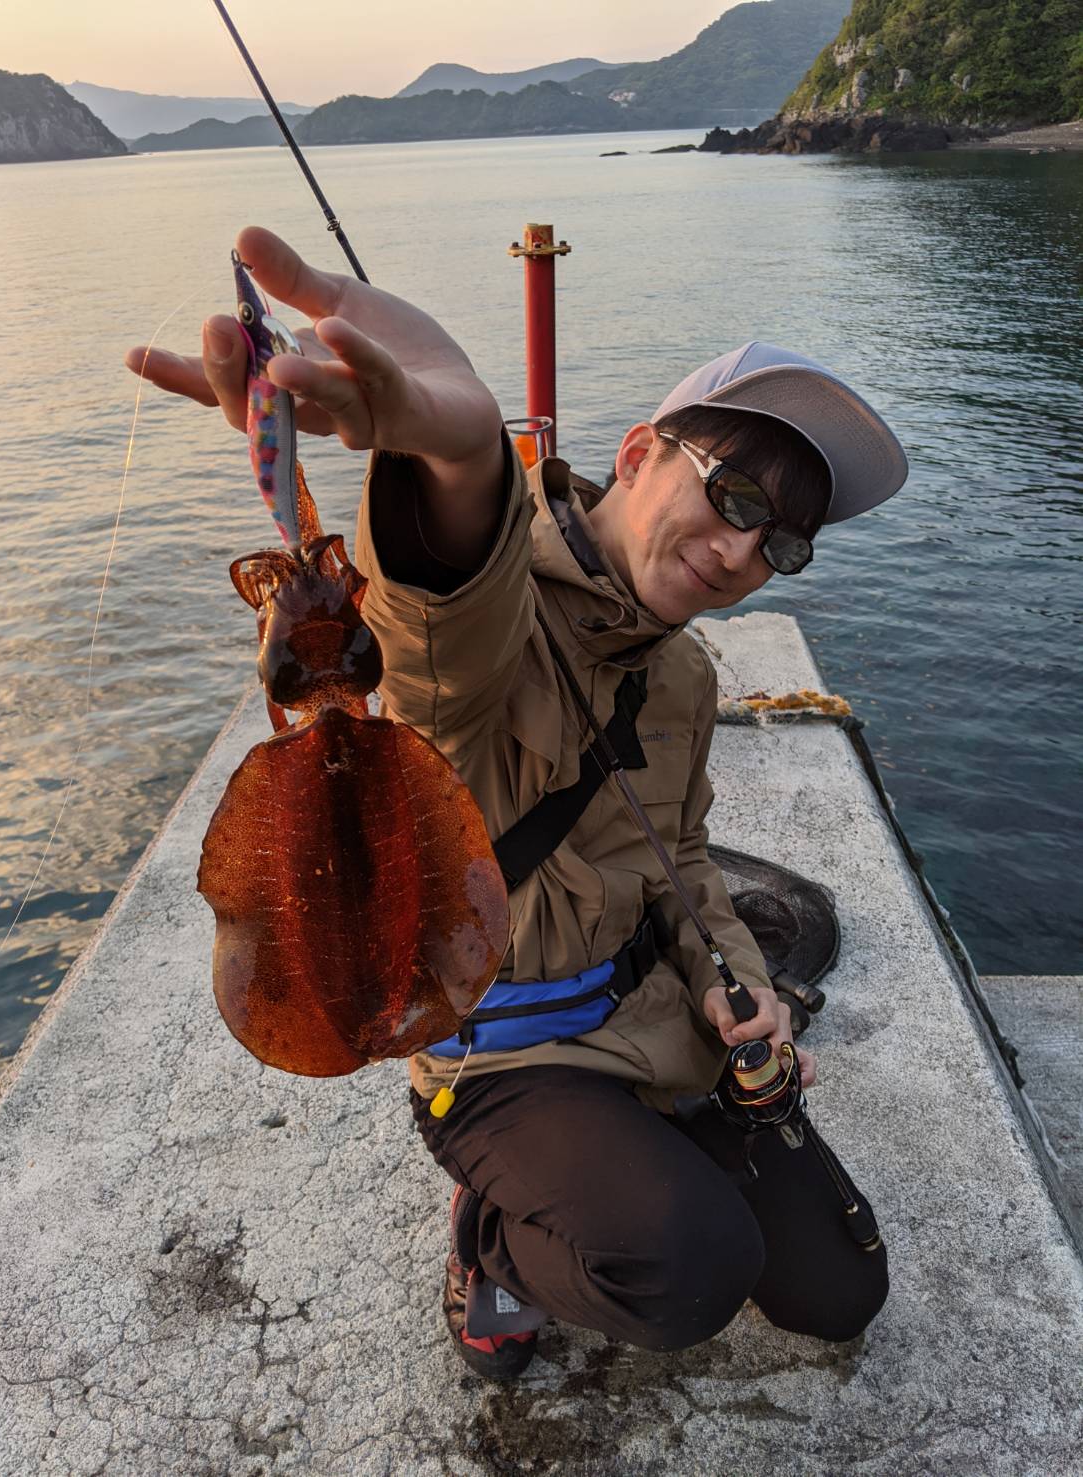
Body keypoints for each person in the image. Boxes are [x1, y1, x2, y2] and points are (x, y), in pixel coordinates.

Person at [129, 225, 907, 1382]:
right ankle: (489, 1234)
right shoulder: (494, 616)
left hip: (650, 1022)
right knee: (687, 1268)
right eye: (733, 493)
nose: (742, 547)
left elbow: (686, 857)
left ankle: (628, 1153)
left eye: (782, 541)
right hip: (503, 1062)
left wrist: (731, 981)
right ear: (638, 453)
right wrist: (458, 457)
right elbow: (439, 619)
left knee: (838, 1290)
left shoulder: (683, 676)